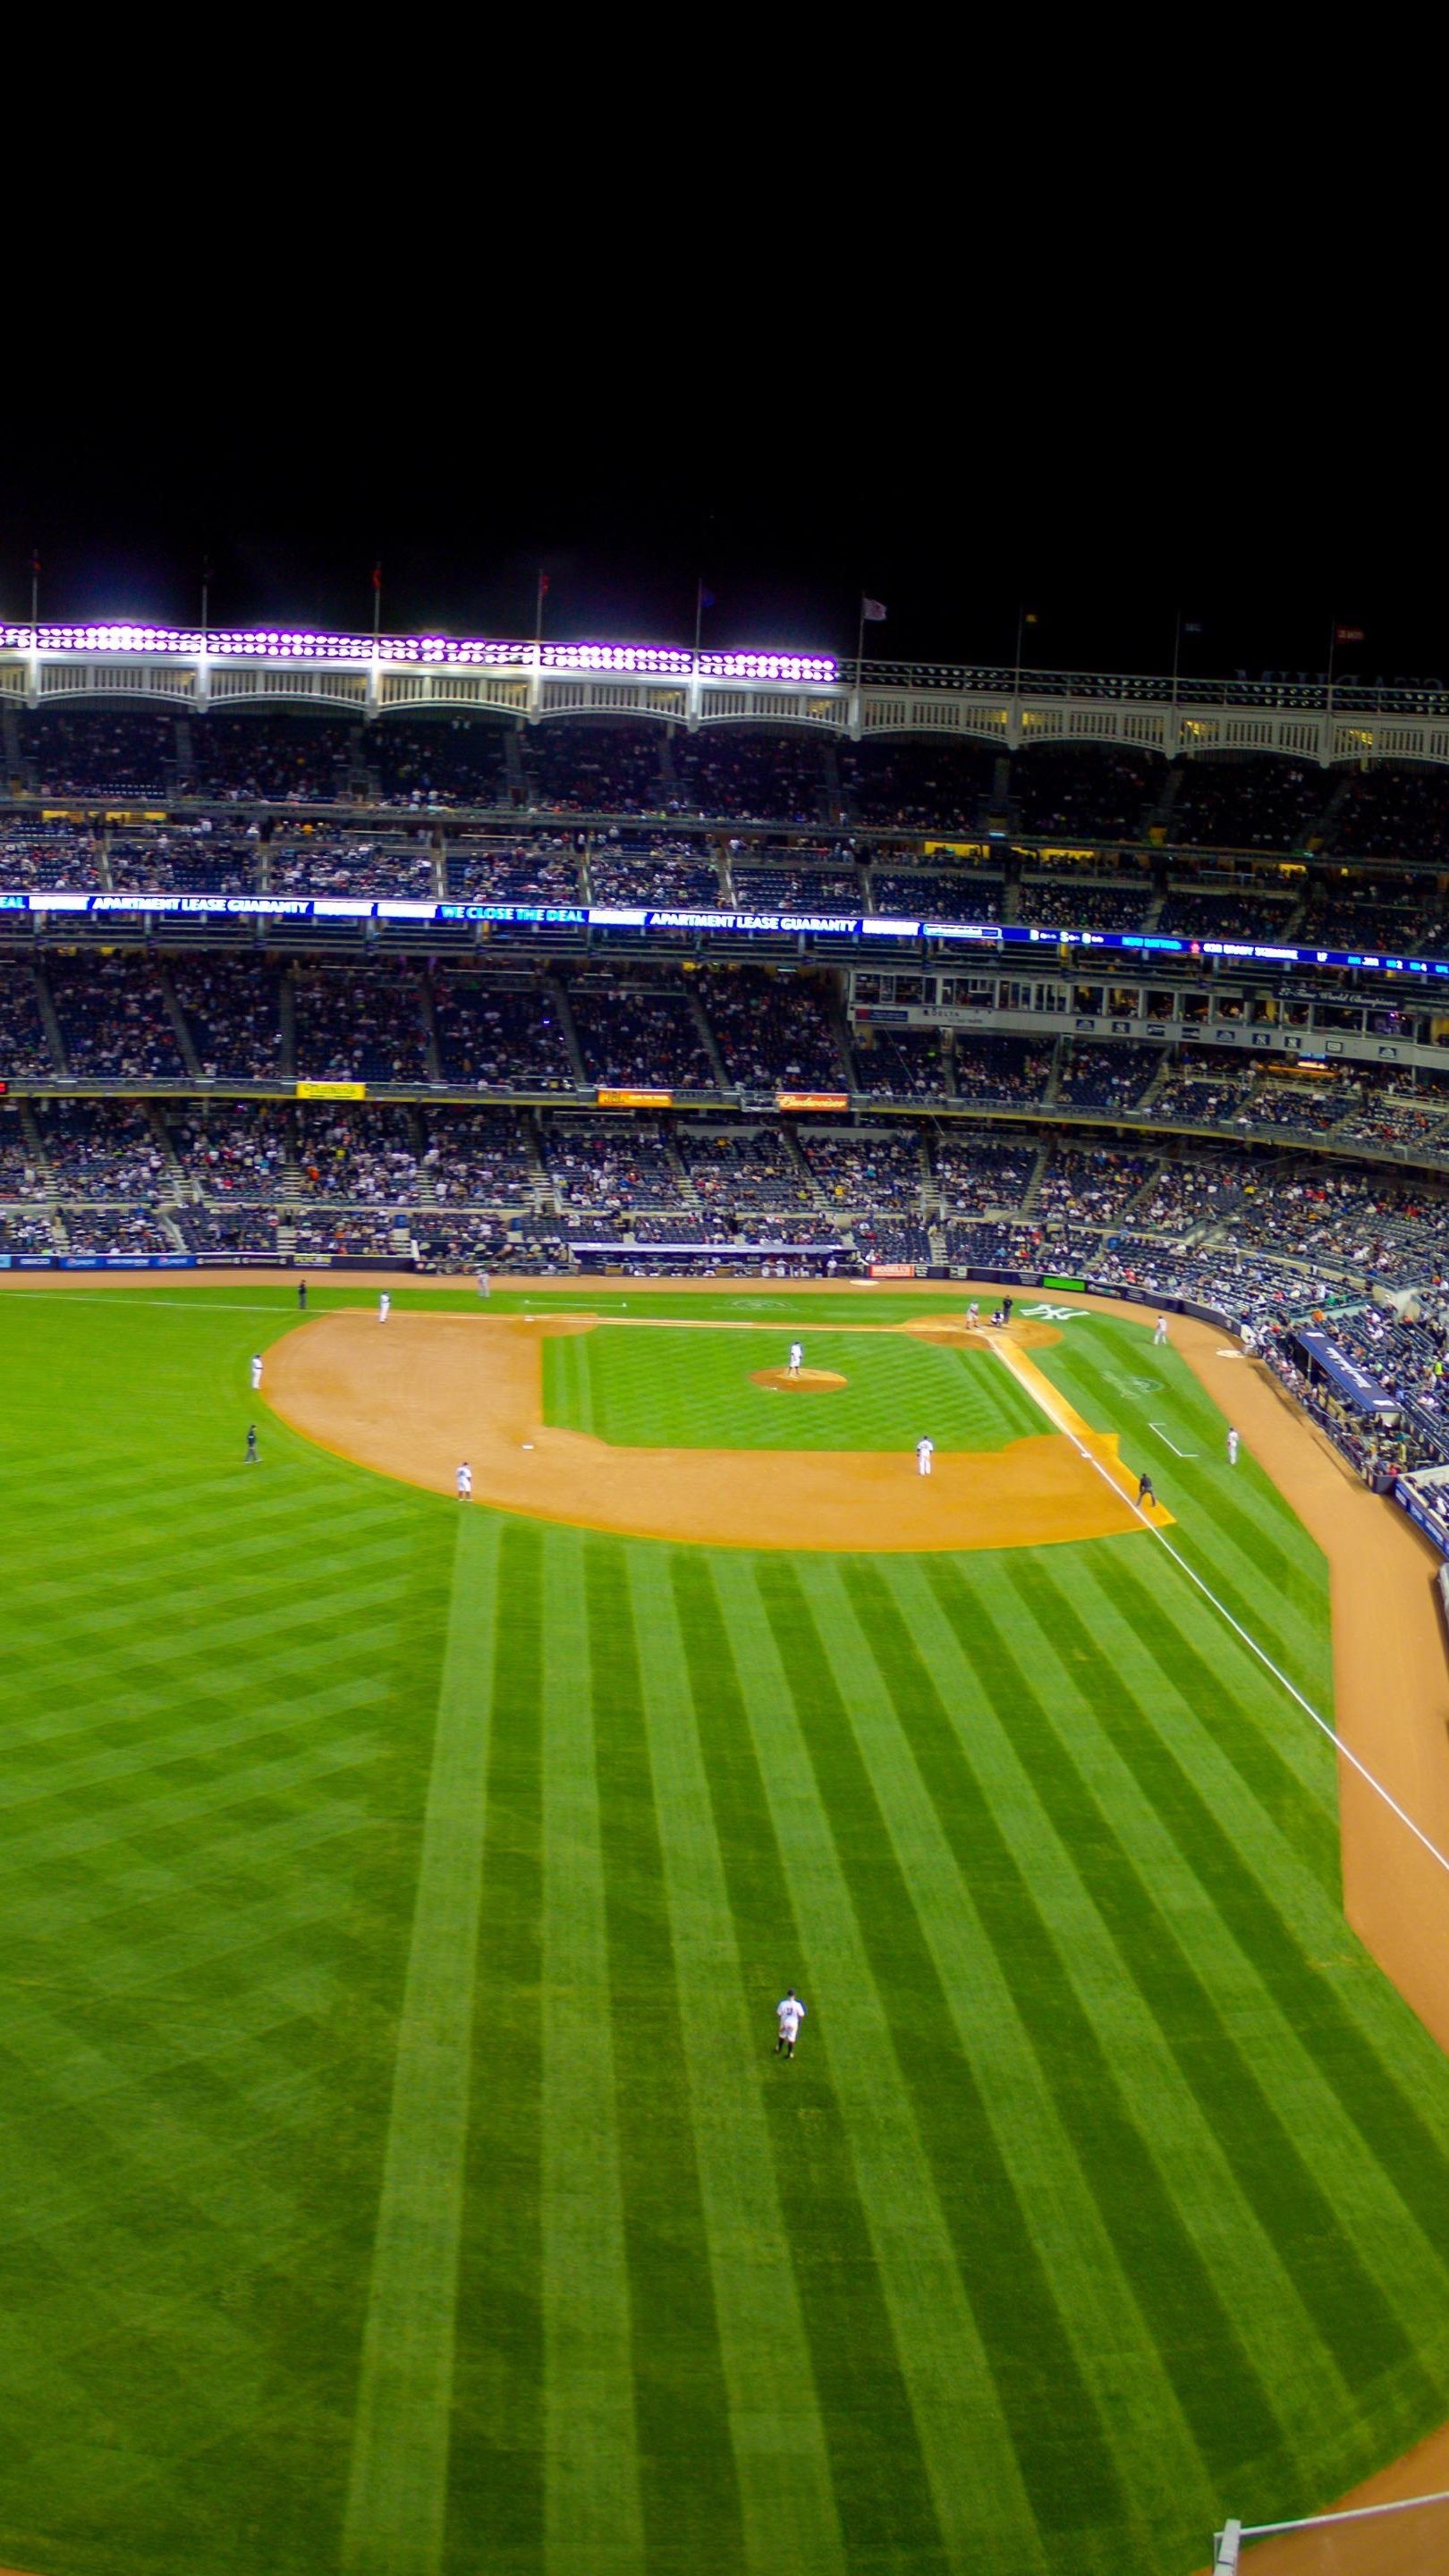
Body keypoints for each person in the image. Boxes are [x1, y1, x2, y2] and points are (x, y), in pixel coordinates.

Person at [775, 1989, 807, 2058]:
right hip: (793, 2024)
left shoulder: (783, 2003)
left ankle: (779, 2049)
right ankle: (789, 2053)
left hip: (784, 2023)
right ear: (794, 1996)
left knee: (782, 2035)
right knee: (791, 2039)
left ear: (788, 1995)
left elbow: (778, 2014)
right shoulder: (798, 2005)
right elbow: (802, 2015)